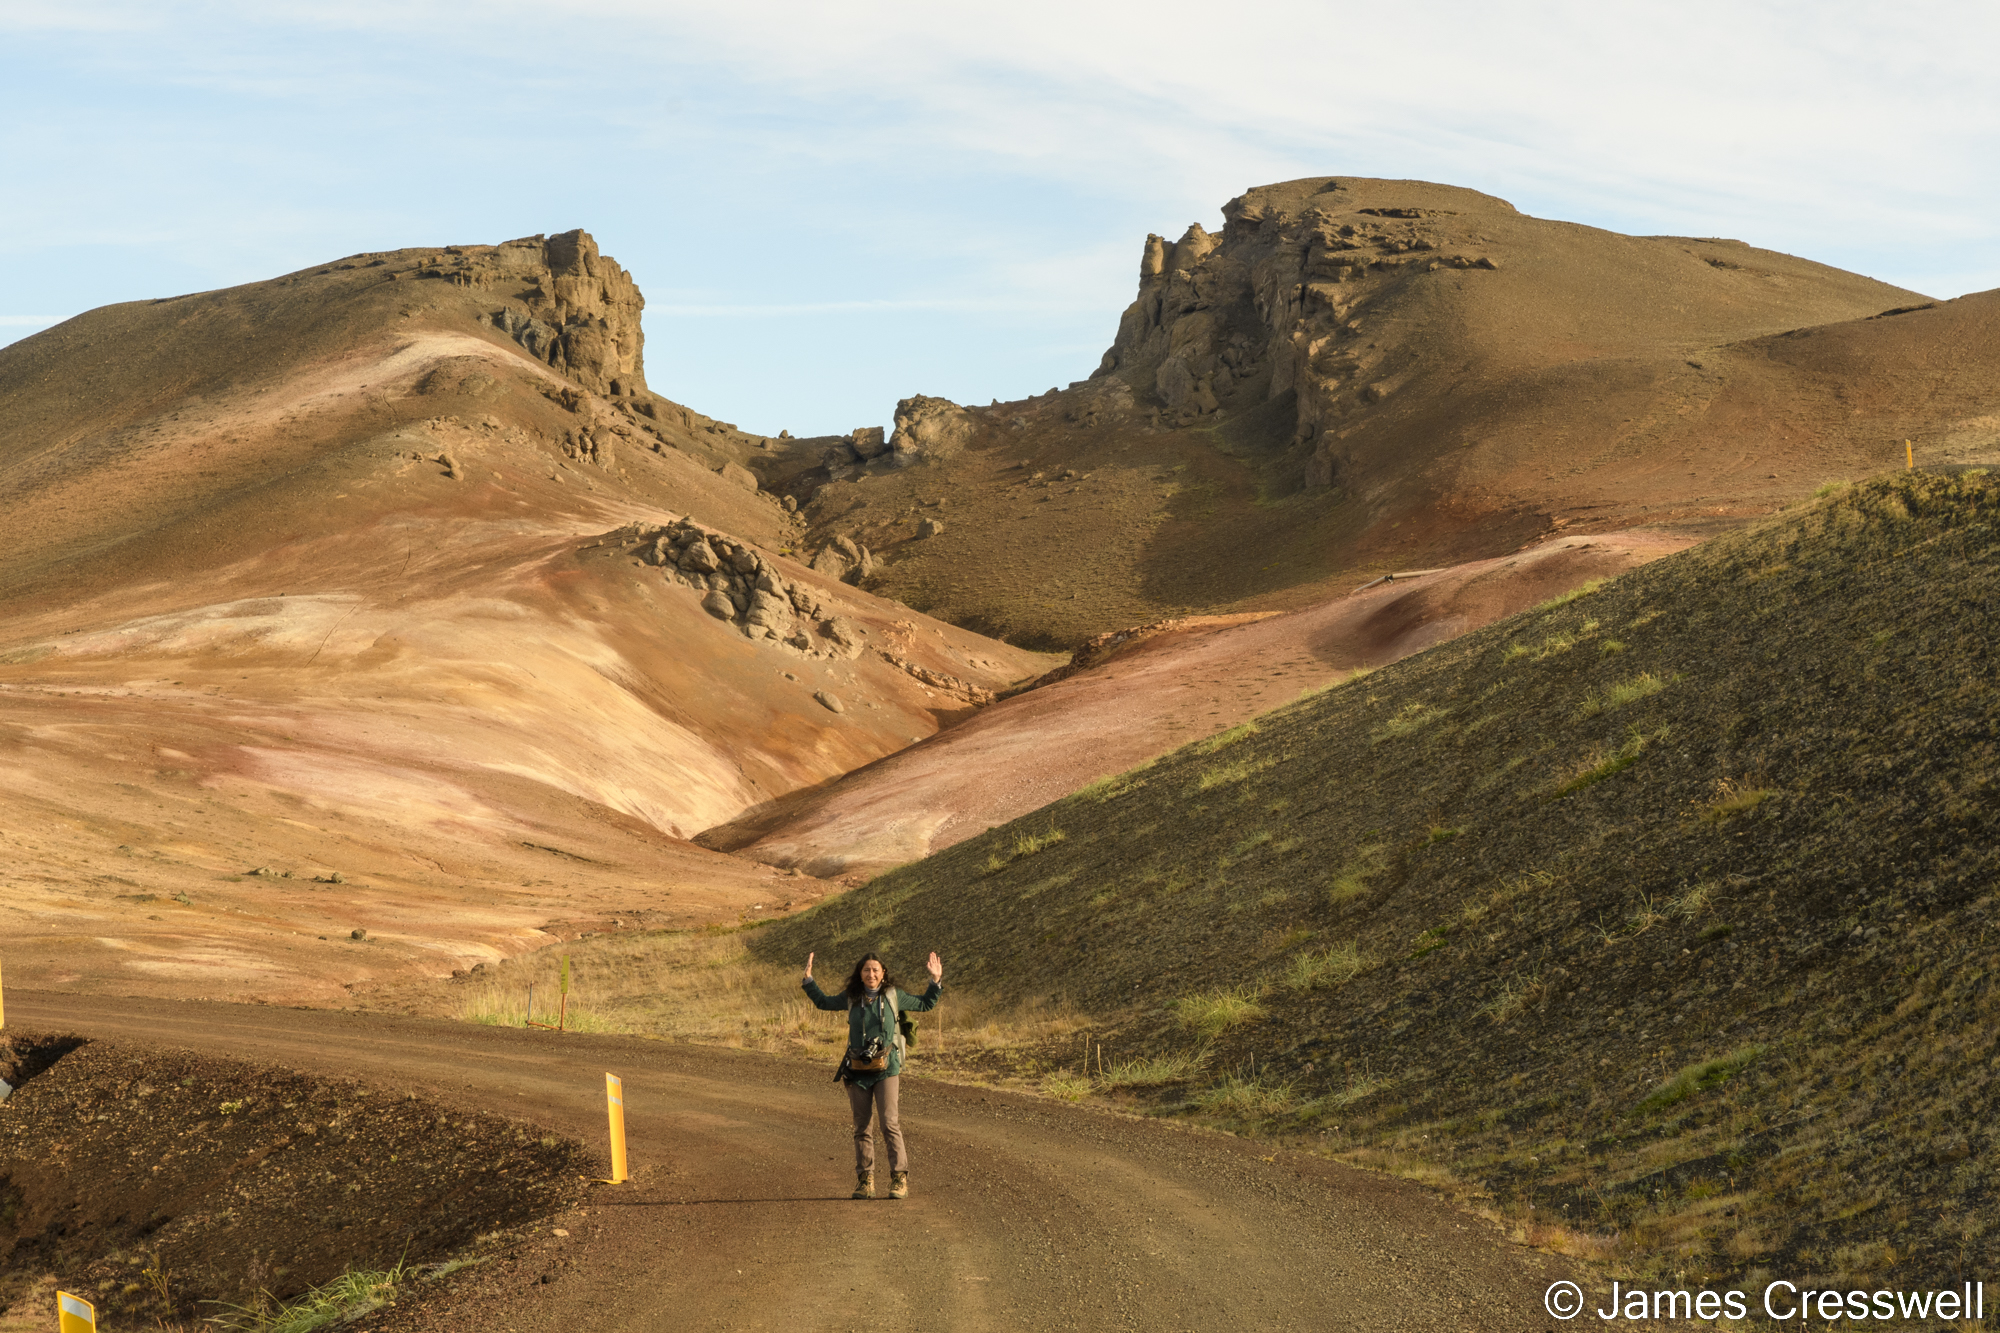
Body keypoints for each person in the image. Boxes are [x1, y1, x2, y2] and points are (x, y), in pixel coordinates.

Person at [801, 948, 943, 1200]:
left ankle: (899, 1179)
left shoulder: (892, 995)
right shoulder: (852, 997)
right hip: (857, 1069)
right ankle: (865, 1181)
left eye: (876, 969)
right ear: (860, 973)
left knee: (889, 1124)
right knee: (862, 1127)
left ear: (883, 973)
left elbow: (925, 1003)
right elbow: (823, 1002)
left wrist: (935, 980)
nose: (871, 974)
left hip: (887, 1068)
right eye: (866, 970)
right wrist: (809, 980)